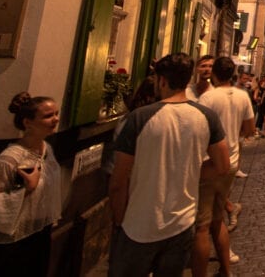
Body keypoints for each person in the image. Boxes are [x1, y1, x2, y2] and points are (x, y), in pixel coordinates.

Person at [108, 53, 229, 277]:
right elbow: (222, 166)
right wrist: (190, 172)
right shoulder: (206, 117)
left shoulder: (138, 118)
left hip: (138, 224)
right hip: (182, 223)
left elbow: (118, 180)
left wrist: (119, 221)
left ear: (161, 80)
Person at [0, 93, 61, 277]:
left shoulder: (46, 150)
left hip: (38, 237)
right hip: (9, 246)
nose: (55, 119)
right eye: (48, 116)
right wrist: (25, 190)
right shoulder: (10, 159)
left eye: (56, 114)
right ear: (28, 123)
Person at [193, 57, 254, 275]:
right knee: (217, 218)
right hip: (231, 162)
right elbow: (249, 130)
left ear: (215, 75)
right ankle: (225, 270)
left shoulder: (208, 98)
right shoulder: (242, 96)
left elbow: (196, 130)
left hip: (208, 163)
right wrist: (232, 134)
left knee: (201, 226)